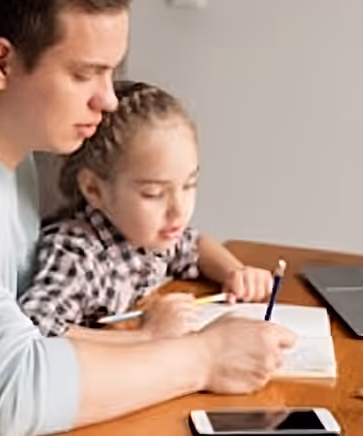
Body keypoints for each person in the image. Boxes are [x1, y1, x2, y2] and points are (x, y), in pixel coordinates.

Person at [0, 0, 294, 436]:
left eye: (109, 72)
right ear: (1, 64)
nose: (107, 99)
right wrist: (203, 358)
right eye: (84, 74)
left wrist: (148, 341)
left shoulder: (4, 150)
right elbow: (4, 396)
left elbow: (19, 334)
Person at [19, 80, 274, 339]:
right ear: (94, 190)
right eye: (154, 194)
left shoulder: (149, 233)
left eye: (189, 185)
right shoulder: (77, 253)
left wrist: (235, 272)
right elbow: (35, 328)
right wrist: (144, 336)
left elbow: (194, 246)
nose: (178, 211)